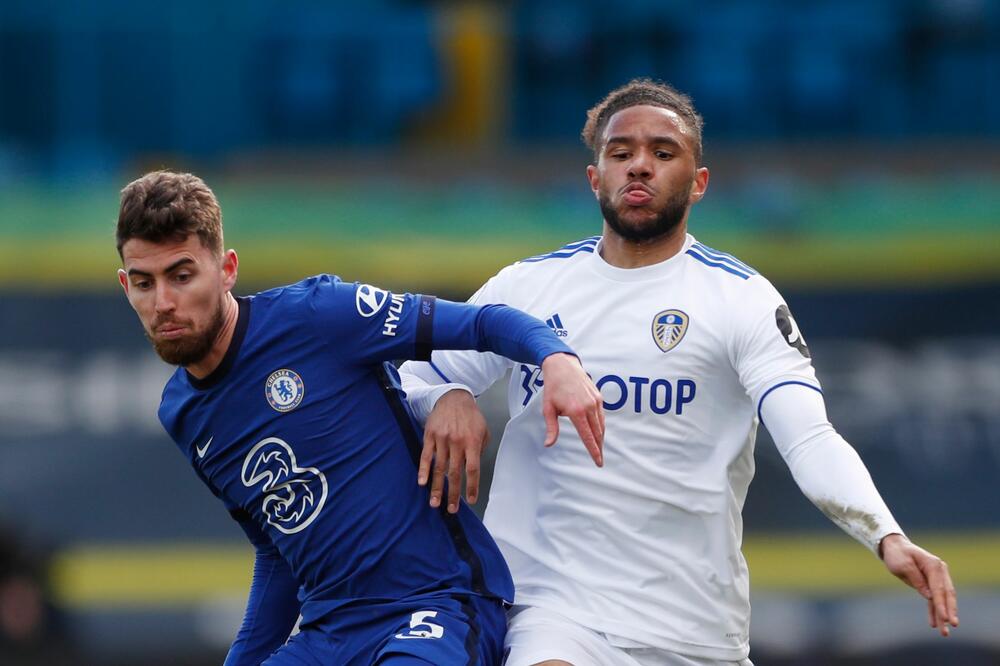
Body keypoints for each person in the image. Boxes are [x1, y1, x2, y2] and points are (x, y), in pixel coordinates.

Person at [398, 79, 959, 666]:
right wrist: (449, 394)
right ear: (595, 179)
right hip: (553, 611)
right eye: (621, 153)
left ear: (699, 183)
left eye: (663, 153)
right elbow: (409, 379)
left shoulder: (741, 299)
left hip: (695, 628)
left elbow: (810, 437)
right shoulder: (526, 287)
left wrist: (884, 534)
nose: (639, 166)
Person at [114, 170, 604, 666]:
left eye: (182, 276)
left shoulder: (318, 315)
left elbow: (482, 323)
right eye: (143, 283)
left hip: (436, 605)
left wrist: (555, 358)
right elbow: (277, 554)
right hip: (329, 632)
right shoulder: (183, 413)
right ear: (124, 285)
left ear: (226, 269)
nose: (163, 303)